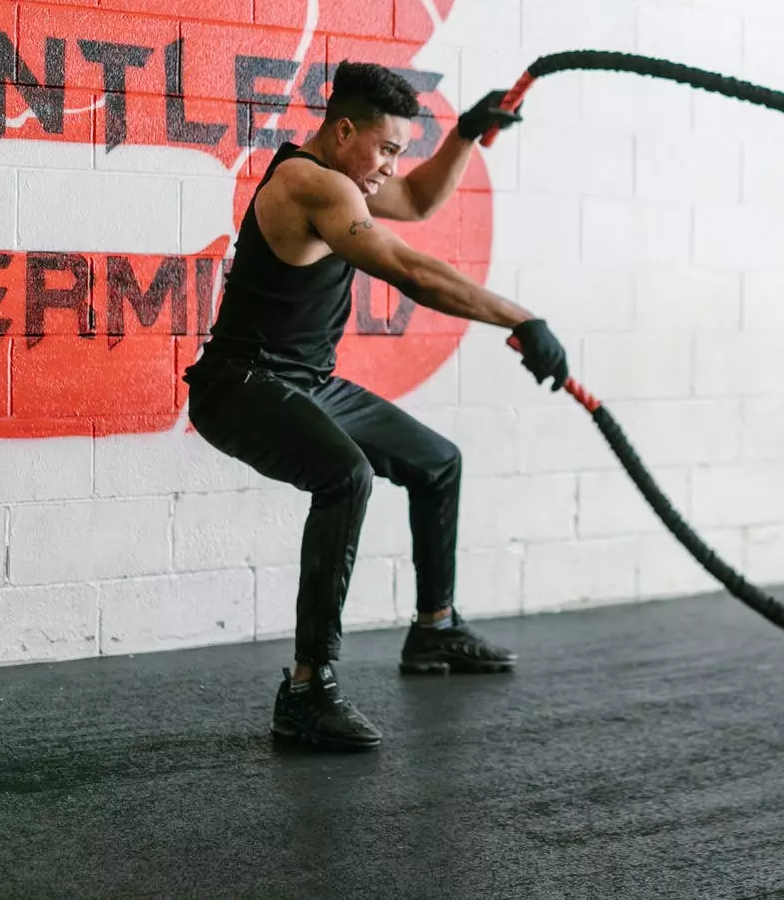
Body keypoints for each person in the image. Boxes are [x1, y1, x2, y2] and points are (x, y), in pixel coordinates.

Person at [182, 62, 569, 751]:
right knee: (345, 474)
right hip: (240, 384)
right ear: (344, 129)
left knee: (436, 461)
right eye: (386, 148)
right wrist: (522, 317)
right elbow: (412, 270)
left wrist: (467, 136)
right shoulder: (310, 182)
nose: (393, 164)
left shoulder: (348, 183)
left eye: (399, 151)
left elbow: (418, 200)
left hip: (304, 381)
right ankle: (305, 690)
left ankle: (434, 629)